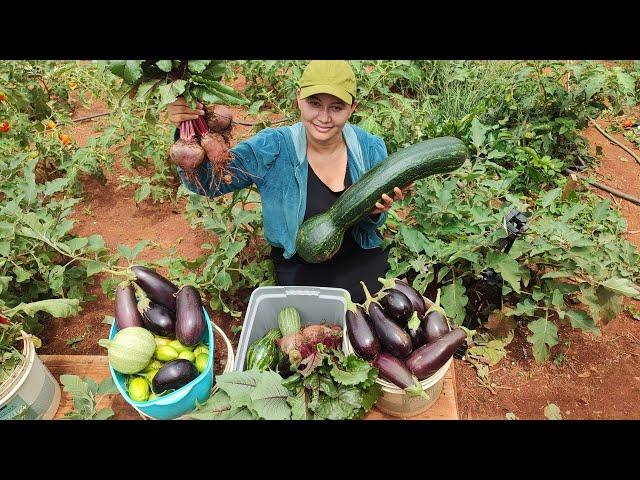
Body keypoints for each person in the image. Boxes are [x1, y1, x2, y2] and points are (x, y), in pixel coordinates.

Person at [166, 60, 412, 303]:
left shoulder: (369, 148)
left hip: (359, 256)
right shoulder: (272, 148)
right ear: (298, 98)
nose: (324, 117)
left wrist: (374, 213)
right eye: (314, 103)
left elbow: (371, 227)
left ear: (352, 107)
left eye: (337, 107)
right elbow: (210, 183)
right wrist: (187, 135)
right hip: (300, 267)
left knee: (379, 319)